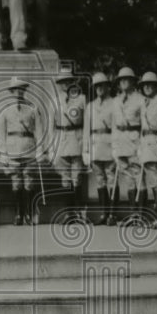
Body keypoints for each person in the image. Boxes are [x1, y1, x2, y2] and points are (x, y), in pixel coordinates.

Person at [0, 77, 43, 225]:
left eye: (21, 88)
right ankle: (18, 213)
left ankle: (29, 214)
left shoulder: (32, 108)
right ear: (11, 91)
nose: (19, 92)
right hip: (12, 149)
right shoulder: (5, 110)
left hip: (29, 147)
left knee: (29, 182)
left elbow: (39, 131)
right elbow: (1, 134)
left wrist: (40, 150)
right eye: (16, 89)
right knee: (16, 183)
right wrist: (3, 154)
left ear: (25, 90)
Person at [52, 67, 87, 223]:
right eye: (62, 82)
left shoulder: (81, 99)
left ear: (72, 82)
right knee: (65, 180)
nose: (65, 85)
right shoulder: (54, 100)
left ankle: (79, 212)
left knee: (77, 178)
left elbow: (87, 124)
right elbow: (51, 126)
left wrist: (86, 145)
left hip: (77, 140)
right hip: (61, 141)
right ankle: (68, 213)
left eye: (67, 81)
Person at [82, 72, 115, 225]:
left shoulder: (114, 103)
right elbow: (86, 129)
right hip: (95, 145)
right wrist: (86, 150)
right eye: (97, 86)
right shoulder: (90, 106)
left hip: (110, 144)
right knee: (100, 180)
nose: (99, 88)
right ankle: (104, 213)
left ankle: (112, 215)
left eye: (102, 85)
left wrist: (117, 148)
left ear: (108, 87)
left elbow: (117, 128)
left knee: (112, 180)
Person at [111, 67, 143, 223]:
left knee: (139, 177)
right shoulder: (116, 101)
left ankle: (142, 215)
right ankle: (134, 214)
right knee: (128, 179)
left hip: (135, 140)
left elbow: (145, 124)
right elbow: (113, 125)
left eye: (127, 79)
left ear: (133, 81)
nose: (123, 82)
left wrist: (144, 145)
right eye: (121, 80)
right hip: (121, 143)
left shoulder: (140, 99)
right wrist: (114, 146)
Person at [138, 71, 157, 227]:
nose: (147, 87)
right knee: (153, 182)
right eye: (145, 85)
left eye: (151, 84)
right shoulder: (144, 103)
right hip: (146, 144)